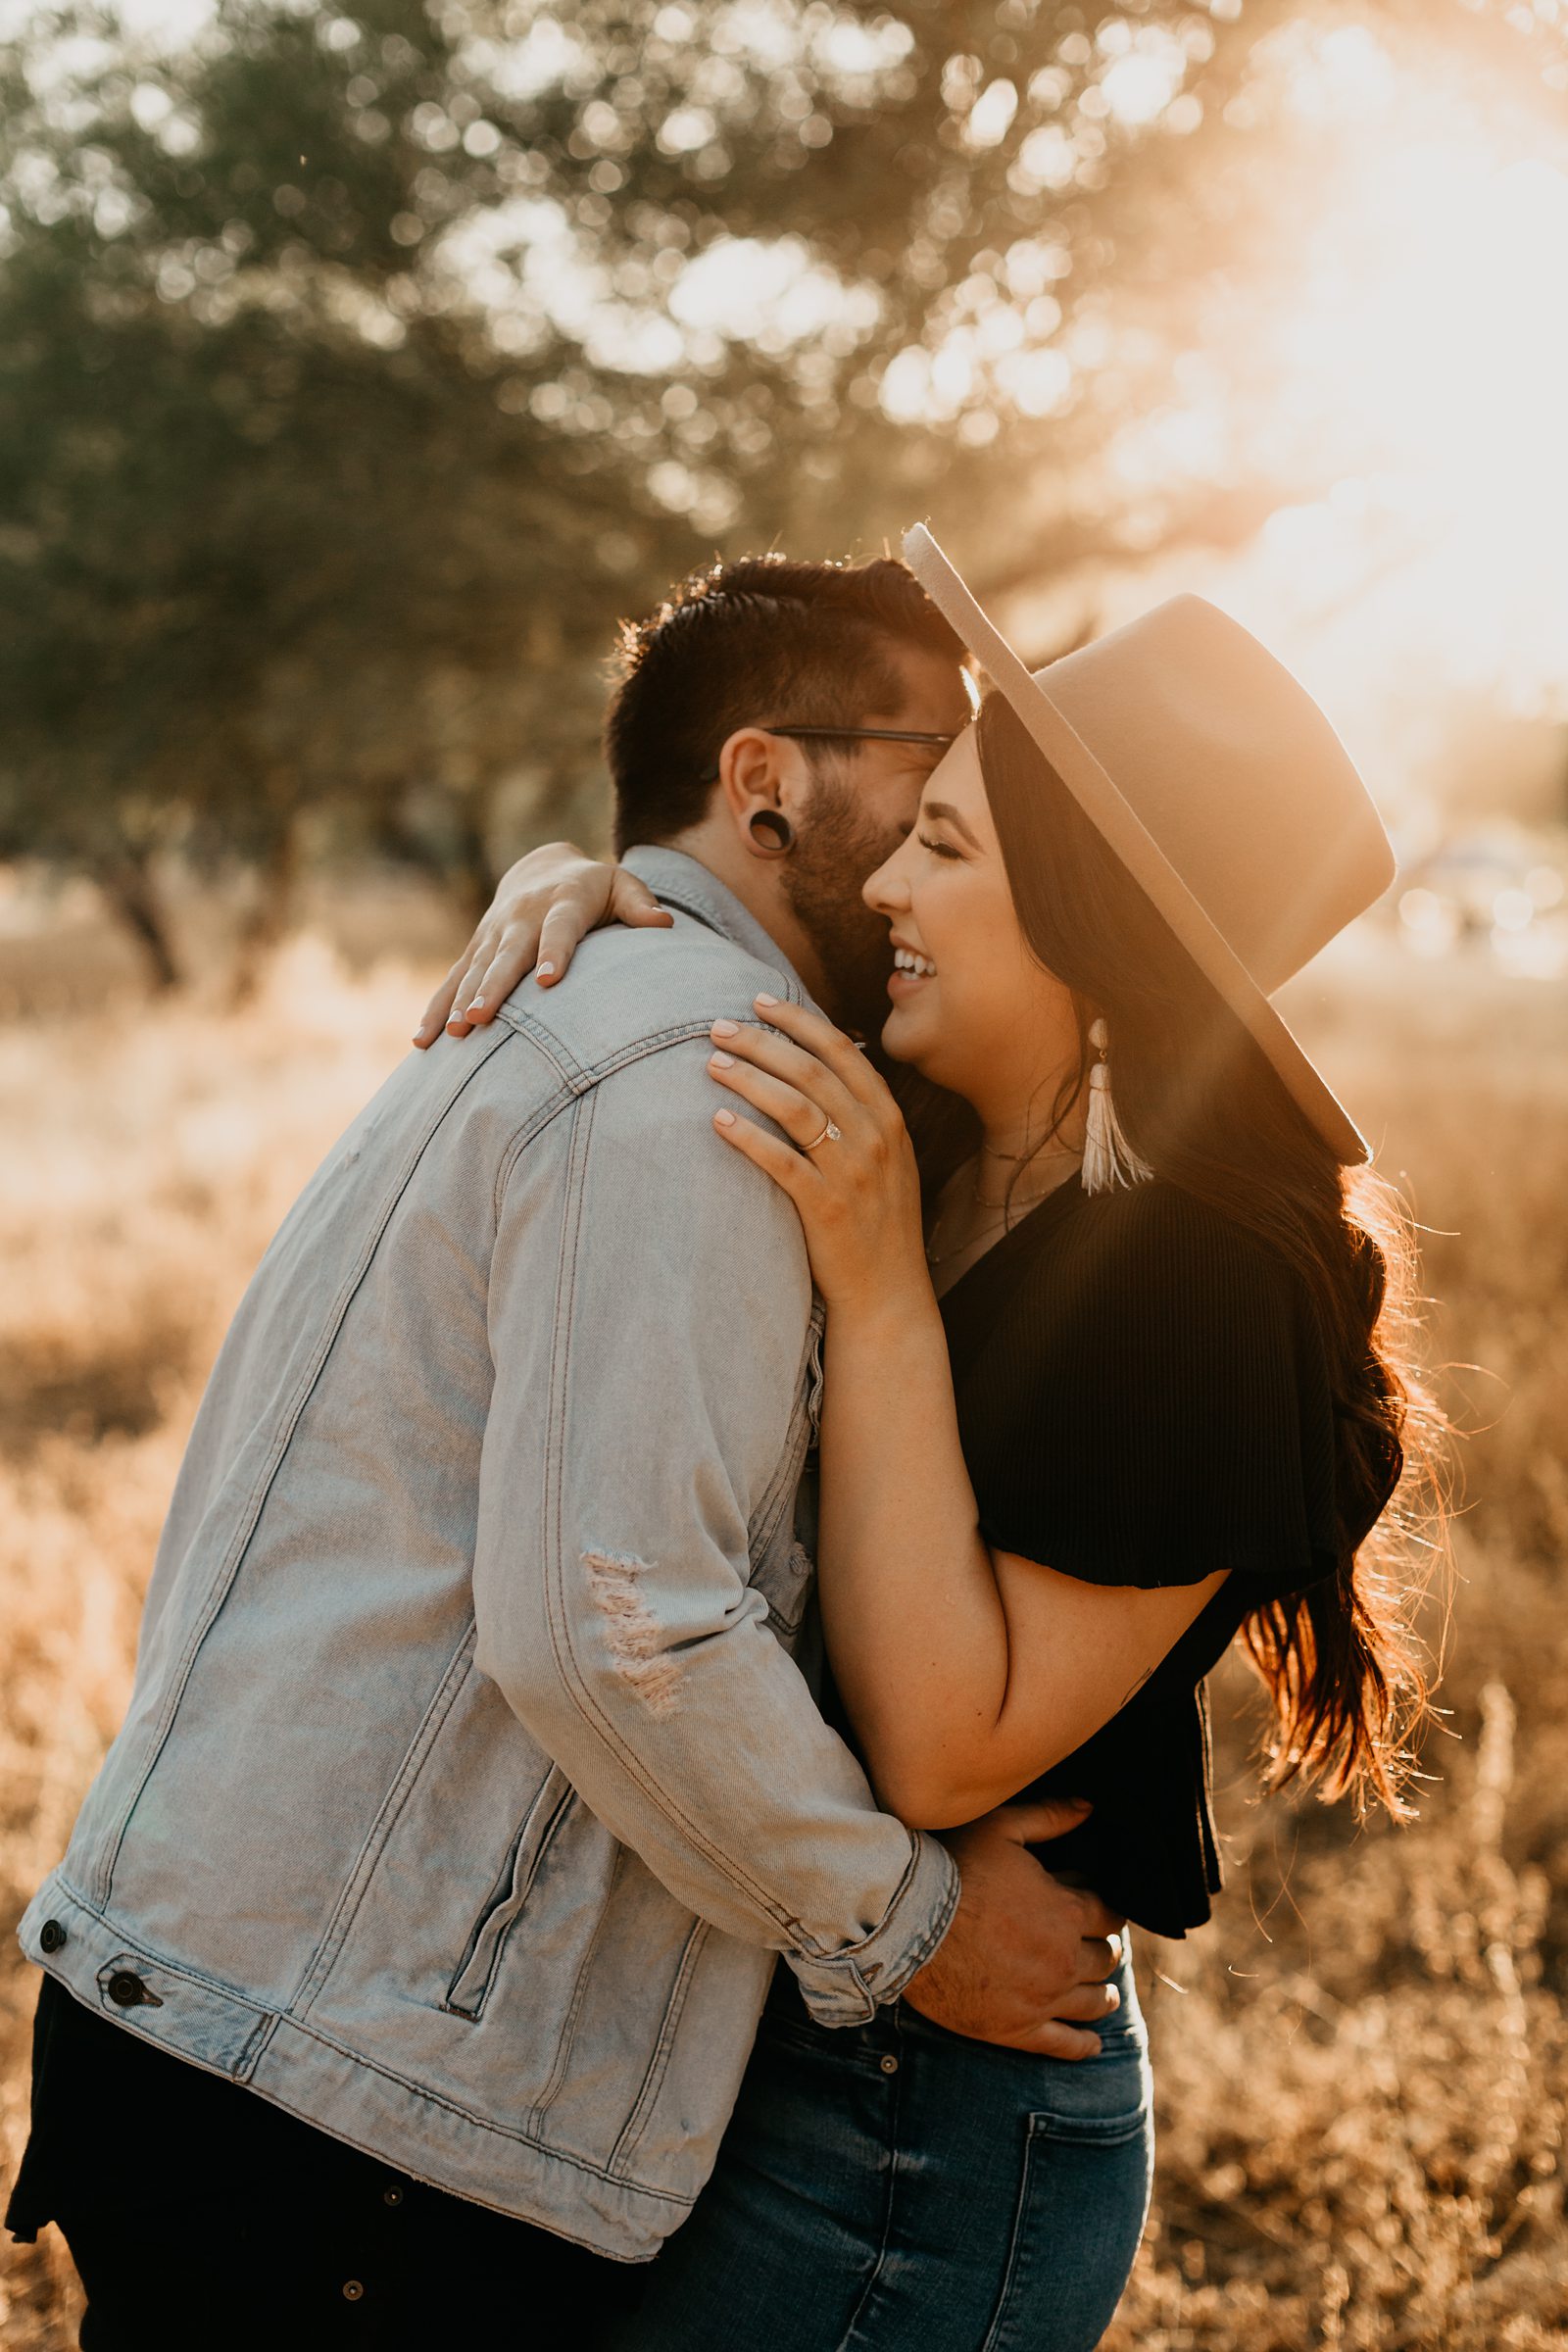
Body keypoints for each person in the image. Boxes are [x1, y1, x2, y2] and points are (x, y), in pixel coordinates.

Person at [6, 554, 1127, 2351]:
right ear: (767, 780)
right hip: (338, 2097)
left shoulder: (590, 998)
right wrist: (914, 1933)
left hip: (245, 2018)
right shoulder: (695, 1085)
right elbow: (620, 1630)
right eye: (921, 792)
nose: (928, 855)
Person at [417, 526, 1442, 2352]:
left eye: (948, 843)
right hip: (754, 2024)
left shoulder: (1203, 1288)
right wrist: (576, 883)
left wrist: (883, 1294)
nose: (888, 875)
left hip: (932, 2125)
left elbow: (944, 1743)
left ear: (1089, 929)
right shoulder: (924, 1121)